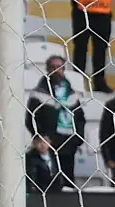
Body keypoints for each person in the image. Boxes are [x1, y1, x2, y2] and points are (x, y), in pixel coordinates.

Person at [26, 55, 83, 191]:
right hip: (48, 143)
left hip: (68, 143)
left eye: (60, 67)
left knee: (68, 181)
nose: (57, 71)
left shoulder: (72, 95)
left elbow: (80, 118)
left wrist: (78, 138)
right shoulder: (39, 93)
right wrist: (41, 137)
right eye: (53, 67)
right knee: (49, 180)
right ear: (47, 69)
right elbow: (31, 118)